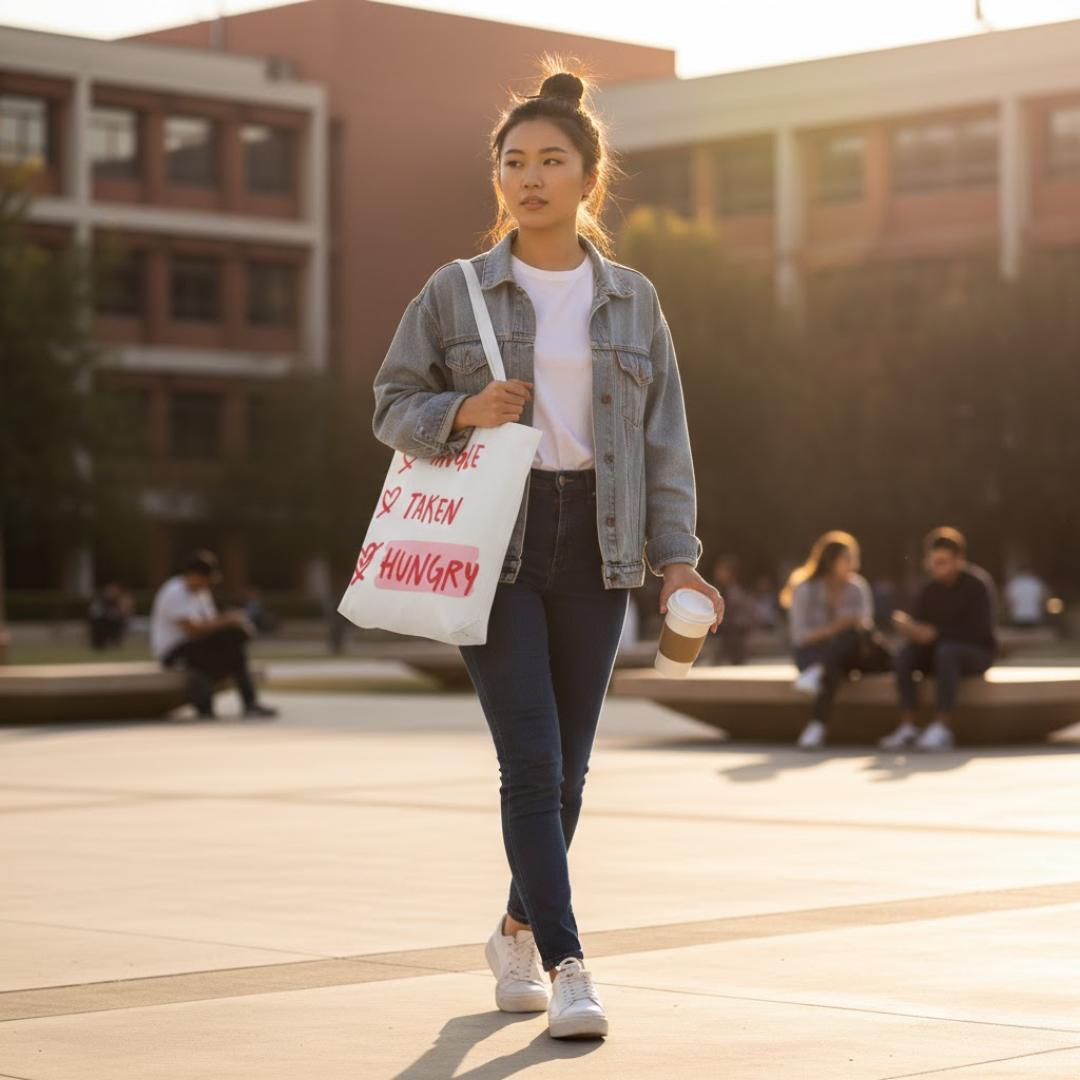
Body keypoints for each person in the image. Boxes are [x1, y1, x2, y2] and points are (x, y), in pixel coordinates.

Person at [370, 67, 722, 1040]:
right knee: (529, 762)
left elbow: (664, 439)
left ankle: (516, 929)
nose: (530, 177)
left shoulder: (632, 301)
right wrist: (458, 411)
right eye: (514, 161)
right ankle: (571, 964)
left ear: (586, 179)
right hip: (497, 542)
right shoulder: (456, 292)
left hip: (599, 547)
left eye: (550, 161)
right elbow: (390, 405)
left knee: (568, 774)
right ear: (499, 179)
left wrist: (679, 557)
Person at [880, 528, 997, 752]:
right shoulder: (928, 587)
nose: (936, 568)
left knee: (947, 651)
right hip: (937, 652)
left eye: (942, 562)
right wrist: (910, 629)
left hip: (976, 653)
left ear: (959, 560)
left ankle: (942, 726)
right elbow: (921, 624)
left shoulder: (977, 585)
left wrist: (937, 634)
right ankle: (909, 725)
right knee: (904, 655)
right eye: (933, 562)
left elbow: (978, 631)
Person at [782, 531, 887, 750]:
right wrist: (836, 627)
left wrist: (850, 625)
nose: (853, 564)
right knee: (834, 667)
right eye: (847, 558)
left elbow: (865, 627)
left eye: (854, 558)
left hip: (850, 651)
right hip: (812, 652)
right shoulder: (805, 589)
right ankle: (817, 721)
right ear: (830, 561)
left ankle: (816, 721)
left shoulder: (857, 587)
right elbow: (800, 637)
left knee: (850, 640)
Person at [149, 550, 278, 720]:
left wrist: (231, 619)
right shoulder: (175, 591)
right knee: (229, 644)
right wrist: (226, 621)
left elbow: (211, 622)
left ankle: (247, 704)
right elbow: (193, 630)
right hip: (173, 650)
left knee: (235, 650)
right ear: (194, 575)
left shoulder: (202, 593)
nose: (208, 584)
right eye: (206, 579)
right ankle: (210, 702)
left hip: (196, 646)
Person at [708, 555, 755, 665]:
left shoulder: (734, 587)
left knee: (731, 630)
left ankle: (734, 658)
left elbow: (740, 606)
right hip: (722, 623)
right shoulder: (716, 587)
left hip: (734, 623)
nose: (719, 573)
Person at [87, 582, 133, 650]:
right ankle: (99, 644)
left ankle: (111, 642)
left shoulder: (121, 600)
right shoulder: (101, 602)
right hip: (104, 622)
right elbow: (94, 612)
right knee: (100, 624)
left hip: (117, 622)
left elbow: (126, 612)